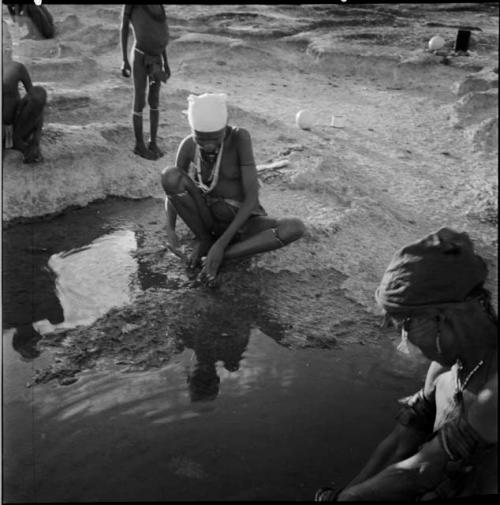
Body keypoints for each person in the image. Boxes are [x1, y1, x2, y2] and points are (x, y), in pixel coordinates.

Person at [315, 228, 497, 501]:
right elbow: (400, 445)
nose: (404, 340)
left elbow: (421, 472)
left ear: (441, 317)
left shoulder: (494, 390)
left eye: (405, 326)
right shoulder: (446, 371)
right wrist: (345, 493)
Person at [161, 92, 306, 286]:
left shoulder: (239, 138)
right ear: (193, 132)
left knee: (294, 227)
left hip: (243, 223)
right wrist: (170, 229)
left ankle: (222, 254)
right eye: (201, 140)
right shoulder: (188, 145)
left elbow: (252, 198)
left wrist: (221, 246)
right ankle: (205, 241)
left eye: (214, 139)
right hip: (208, 222)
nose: (208, 146)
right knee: (169, 175)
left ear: (225, 126)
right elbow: (172, 192)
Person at [120, 4, 170, 160]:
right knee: (139, 100)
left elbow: (160, 32)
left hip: (157, 58)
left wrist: (166, 62)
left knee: (154, 101)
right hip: (140, 56)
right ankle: (139, 145)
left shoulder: (159, 6)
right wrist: (124, 60)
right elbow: (124, 27)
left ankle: (153, 142)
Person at [2, 27, 47, 164]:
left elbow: (37, 105)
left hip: (18, 126)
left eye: (8, 38)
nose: (6, 43)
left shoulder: (17, 68)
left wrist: (36, 140)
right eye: (2, 38)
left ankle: (17, 139)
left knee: (39, 92)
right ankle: (12, 142)